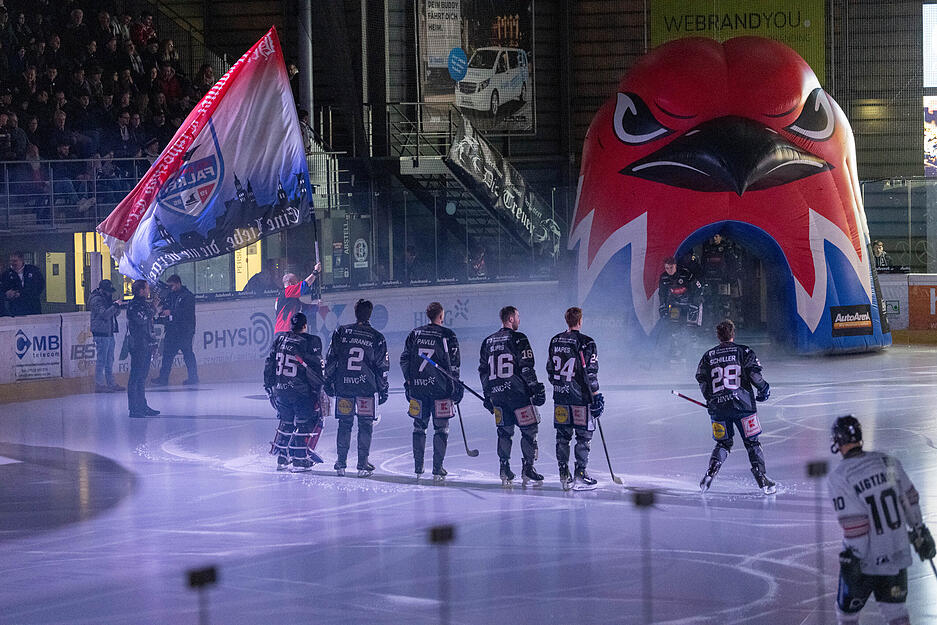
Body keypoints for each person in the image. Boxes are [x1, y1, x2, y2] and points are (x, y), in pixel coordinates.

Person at [828, 415, 936, 625]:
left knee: (847, 615)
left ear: (838, 441)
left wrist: (853, 560)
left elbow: (856, 525)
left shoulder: (840, 476)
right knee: (896, 614)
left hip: (865, 562)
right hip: (896, 555)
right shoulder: (888, 462)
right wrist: (919, 532)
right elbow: (910, 501)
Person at [695, 319, 774, 494]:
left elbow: (702, 379)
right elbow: (754, 375)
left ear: (718, 335)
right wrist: (764, 389)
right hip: (743, 406)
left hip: (719, 409)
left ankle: (710, 474)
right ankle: (762, 478)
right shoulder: (743, 351)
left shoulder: (708, 356)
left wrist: (710, 400)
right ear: (733, 334)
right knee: (752, 443)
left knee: (723, 444)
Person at [479, 305, 546, 487]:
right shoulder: (519, 338)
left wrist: (488, 395)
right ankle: (528, 468)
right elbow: (526, 367)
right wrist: (536, 388)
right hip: (518, 395)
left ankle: (504, 468)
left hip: (498, 396)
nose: (519, 320)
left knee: (504, 433)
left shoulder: (488, 341)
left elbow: (483, 371)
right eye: (517, 316)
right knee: (530, 430)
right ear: (510, 319)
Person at [324, 299, 389, 477]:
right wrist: (383, 389)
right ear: (370, 314)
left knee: (344, 424)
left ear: (355, 312)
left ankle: (341, 463)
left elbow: (331, 359)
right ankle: (362, 465)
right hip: (366, 388)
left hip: (344, 386)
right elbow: (382, 367)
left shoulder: (341, 331)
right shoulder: (377, 337)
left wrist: (328, 381)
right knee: (365, 425)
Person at [400, 301, 462, 482]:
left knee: (419, 427)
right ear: (441, 316)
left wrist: (409, 380)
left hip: (418, 389)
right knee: (441, 429)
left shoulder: (415, 334)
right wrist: (456, 386)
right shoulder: (448, 335)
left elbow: (404, 359)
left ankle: (418, 467)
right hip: (441, 390)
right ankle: (437, 469)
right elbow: (454, 364)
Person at [546, 307, 603, 491]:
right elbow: (590, 373)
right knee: (583, 436)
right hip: (580, 399)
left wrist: (559, 385)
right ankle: (580, 473)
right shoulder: (586, 342)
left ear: (566, 320)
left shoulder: (555, 340)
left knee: (562, 436)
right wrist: (596, 396)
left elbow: (550, 369)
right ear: (580, 321)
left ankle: (564, 473)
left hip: (560, 397)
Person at [264, 312, 326, 472]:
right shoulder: (310, 341)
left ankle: (282, 458)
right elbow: (316, 367)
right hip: (300, 392)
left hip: (281, 390)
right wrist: (319, 388)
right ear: (305, 326)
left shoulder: (280, 339)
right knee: (303, 423)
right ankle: (299, 460)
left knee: (287, 423)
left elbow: (269, 363)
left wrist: (269, 386)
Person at [152, 274, 197, 386]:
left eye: (171, 285)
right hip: (172, 330)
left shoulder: (188, 296)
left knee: (187, 354)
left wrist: (171, 312)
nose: (170, 288)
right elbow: (166, 306)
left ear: (178, 283)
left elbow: (186, 312)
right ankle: (163, 378)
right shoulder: (171, 295)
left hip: (184, 330)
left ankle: (193, 377)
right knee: (167, 355)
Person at [657, 256, 702, 357]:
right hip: (675, 305)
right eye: (667, 268)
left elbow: (698, 289)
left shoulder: (686, 274)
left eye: (671, 268)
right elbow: (662, 293)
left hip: (691, 305)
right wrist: (662, 305)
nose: (669, 271)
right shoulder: (664, 277)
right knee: (674, 327)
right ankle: (676, 352)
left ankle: (692, 354)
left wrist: (694, 304)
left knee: (691, 329)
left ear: (675, 266)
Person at [127, 279, 159, 418]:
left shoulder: (143, 305)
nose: (148, 291)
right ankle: (134, 408)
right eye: (146, 288)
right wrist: (153, 308)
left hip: (145, 344)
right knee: (136, 377)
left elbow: (149, 326)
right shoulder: (134, 305)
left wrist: (153, 343)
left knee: (142, 377)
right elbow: (143, 319)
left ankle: (142, 405)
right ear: (140, 291)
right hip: (138, 344)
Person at [88, 279, 123, 393]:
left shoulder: (105, 298)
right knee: (102, 359)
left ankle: (111, 383)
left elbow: (113, 314)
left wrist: (116, 307)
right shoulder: (96, 299)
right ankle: (99, 384)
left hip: (109, 332)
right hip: (101, 333)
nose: (110, 294)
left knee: (109, 359)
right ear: (102, 290)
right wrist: (114, 306)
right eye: (108, 291)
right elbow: (104, 314)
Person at [274, 263, 320, 334]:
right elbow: (303, 286)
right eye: (296, 282)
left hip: (289, 331)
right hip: (284, 331)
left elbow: (303, 308)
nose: (297, 283)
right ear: (289, 283)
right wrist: (315, 272)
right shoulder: (287, 291)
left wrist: (316, 306)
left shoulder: (291, 299)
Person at [2, 251, 44, 316]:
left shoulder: (33, 270)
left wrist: (21, 294)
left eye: (15, 261)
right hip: (16, 309)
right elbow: (3, 289)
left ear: (22, 260)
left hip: (33, 308)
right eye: (11, 261)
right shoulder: (6, 274)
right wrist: (7, 294)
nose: (12, 263)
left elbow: (40, 286)